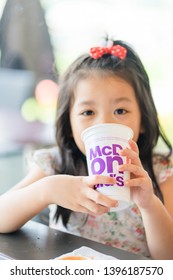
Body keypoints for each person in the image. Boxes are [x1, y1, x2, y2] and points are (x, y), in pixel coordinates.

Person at [0, 38, 173, 260]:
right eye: (88, 112)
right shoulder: (55, 164)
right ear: (69, 124)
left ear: (142, 120)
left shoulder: (159, 171)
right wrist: (47, 190)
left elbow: (168, 260)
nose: (104, 124)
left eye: (120, 111)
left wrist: (150, 206)